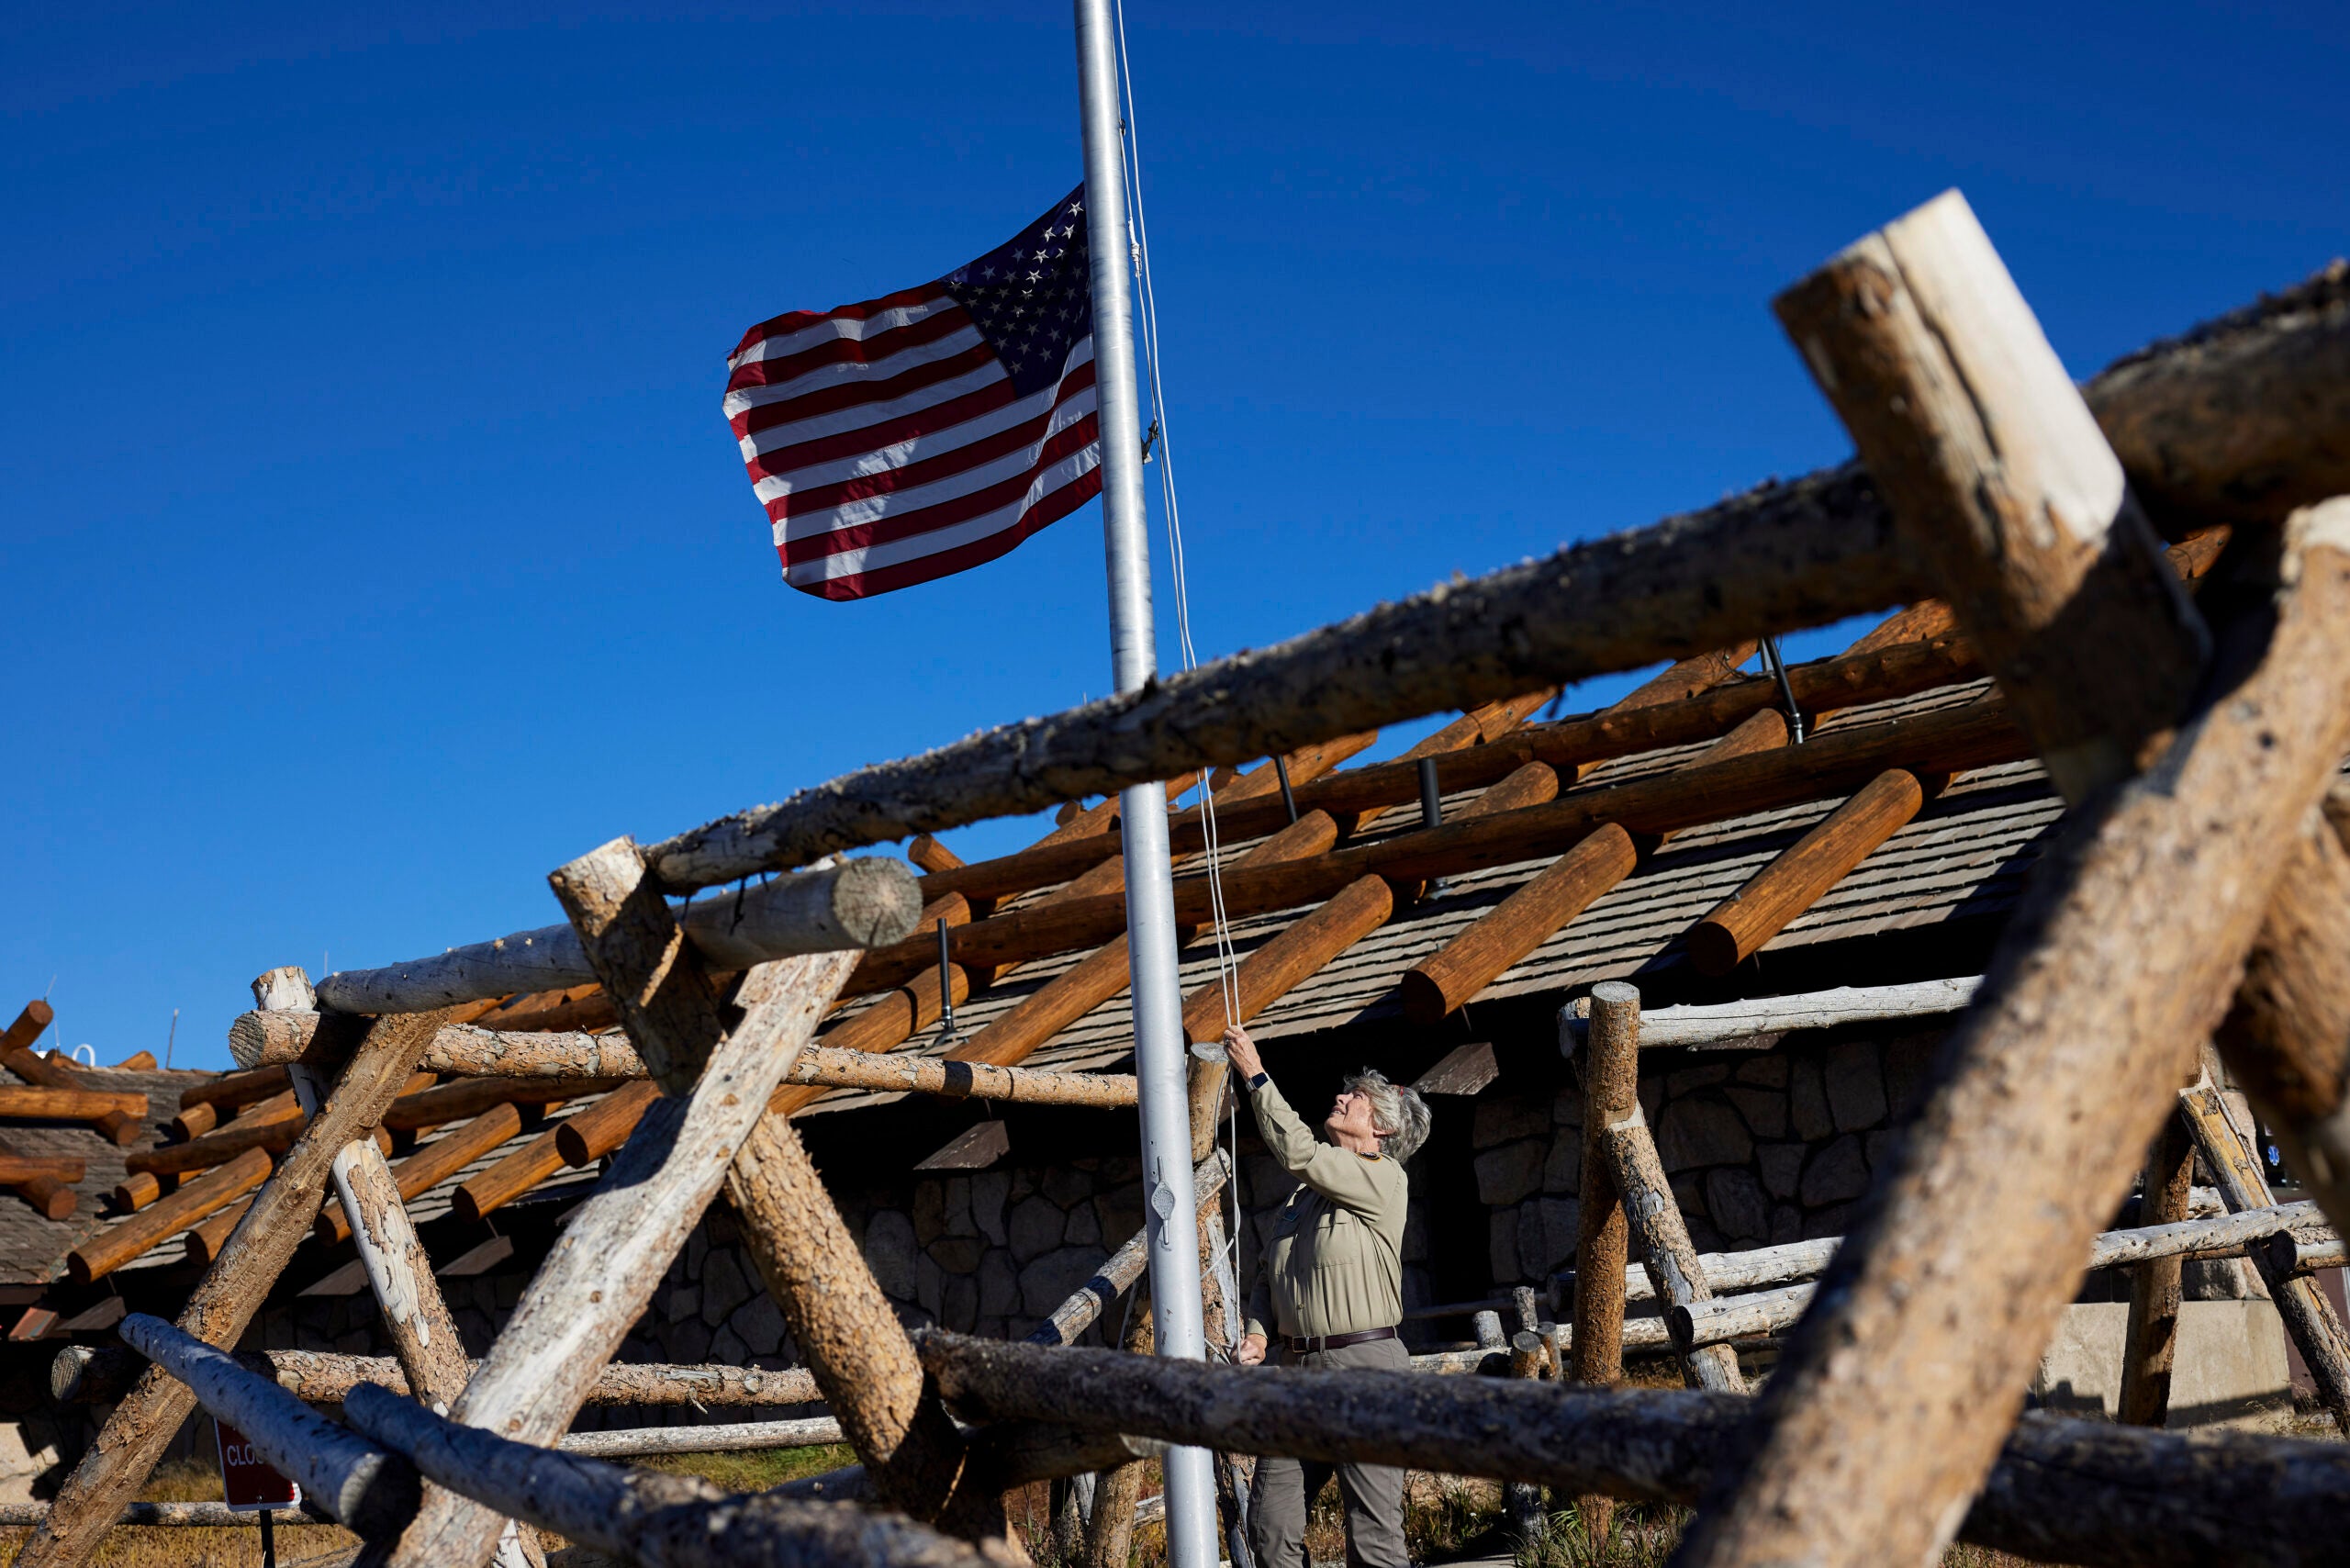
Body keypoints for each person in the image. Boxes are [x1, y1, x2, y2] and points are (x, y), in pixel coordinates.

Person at [1221, 1023, 1431, 1568]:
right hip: (1296, 1372)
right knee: (1270, 1526)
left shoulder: (1384, 1178)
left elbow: (1298, 1150)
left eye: (1356, 1097)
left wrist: (1255, 1073)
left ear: (1381, 1127)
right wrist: (1257, 1332)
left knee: (1373, 1535)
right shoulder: (1306, 1194)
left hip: (1365, 1366)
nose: (1340, 1097)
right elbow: (1270, 1272)